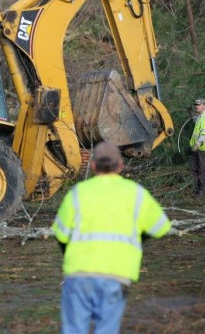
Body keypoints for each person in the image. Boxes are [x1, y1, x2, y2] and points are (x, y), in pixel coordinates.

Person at [52, 141, 171, 334]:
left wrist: (69, 257)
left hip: (79, 274)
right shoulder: (136, 194)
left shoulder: (77, 194)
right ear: (121, 165)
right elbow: (161, 227)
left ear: (92, 165)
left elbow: (61, 235)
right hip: (117, 274)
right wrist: (136, 241)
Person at [189, 97, 205, 196]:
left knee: (202, 170)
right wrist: (190, 112)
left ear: (204, 106)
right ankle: (197, 190)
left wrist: (197, 144)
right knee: (195, 169)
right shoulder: (201, 117)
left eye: (199, 105)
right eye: (196, 105)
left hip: (203, 149)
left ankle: (203, 191)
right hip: (198, 149)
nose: (197, 107)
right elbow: (195, 120)